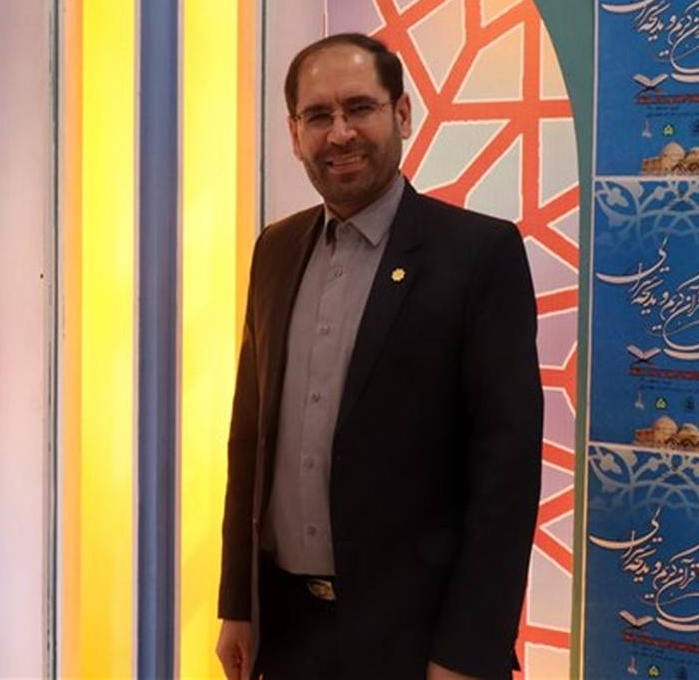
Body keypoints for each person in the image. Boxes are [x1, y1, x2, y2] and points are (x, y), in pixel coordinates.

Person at [215, 33, 543, 680]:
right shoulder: (274, 251)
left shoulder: (479, 255)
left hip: (416, 640)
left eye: (359, 107)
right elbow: (248, 439)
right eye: (317, 115)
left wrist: (468, 652)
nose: (339, 133)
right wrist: (237, 604)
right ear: (294, 133)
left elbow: (505, 476)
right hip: (286, 633)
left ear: (402, 113)